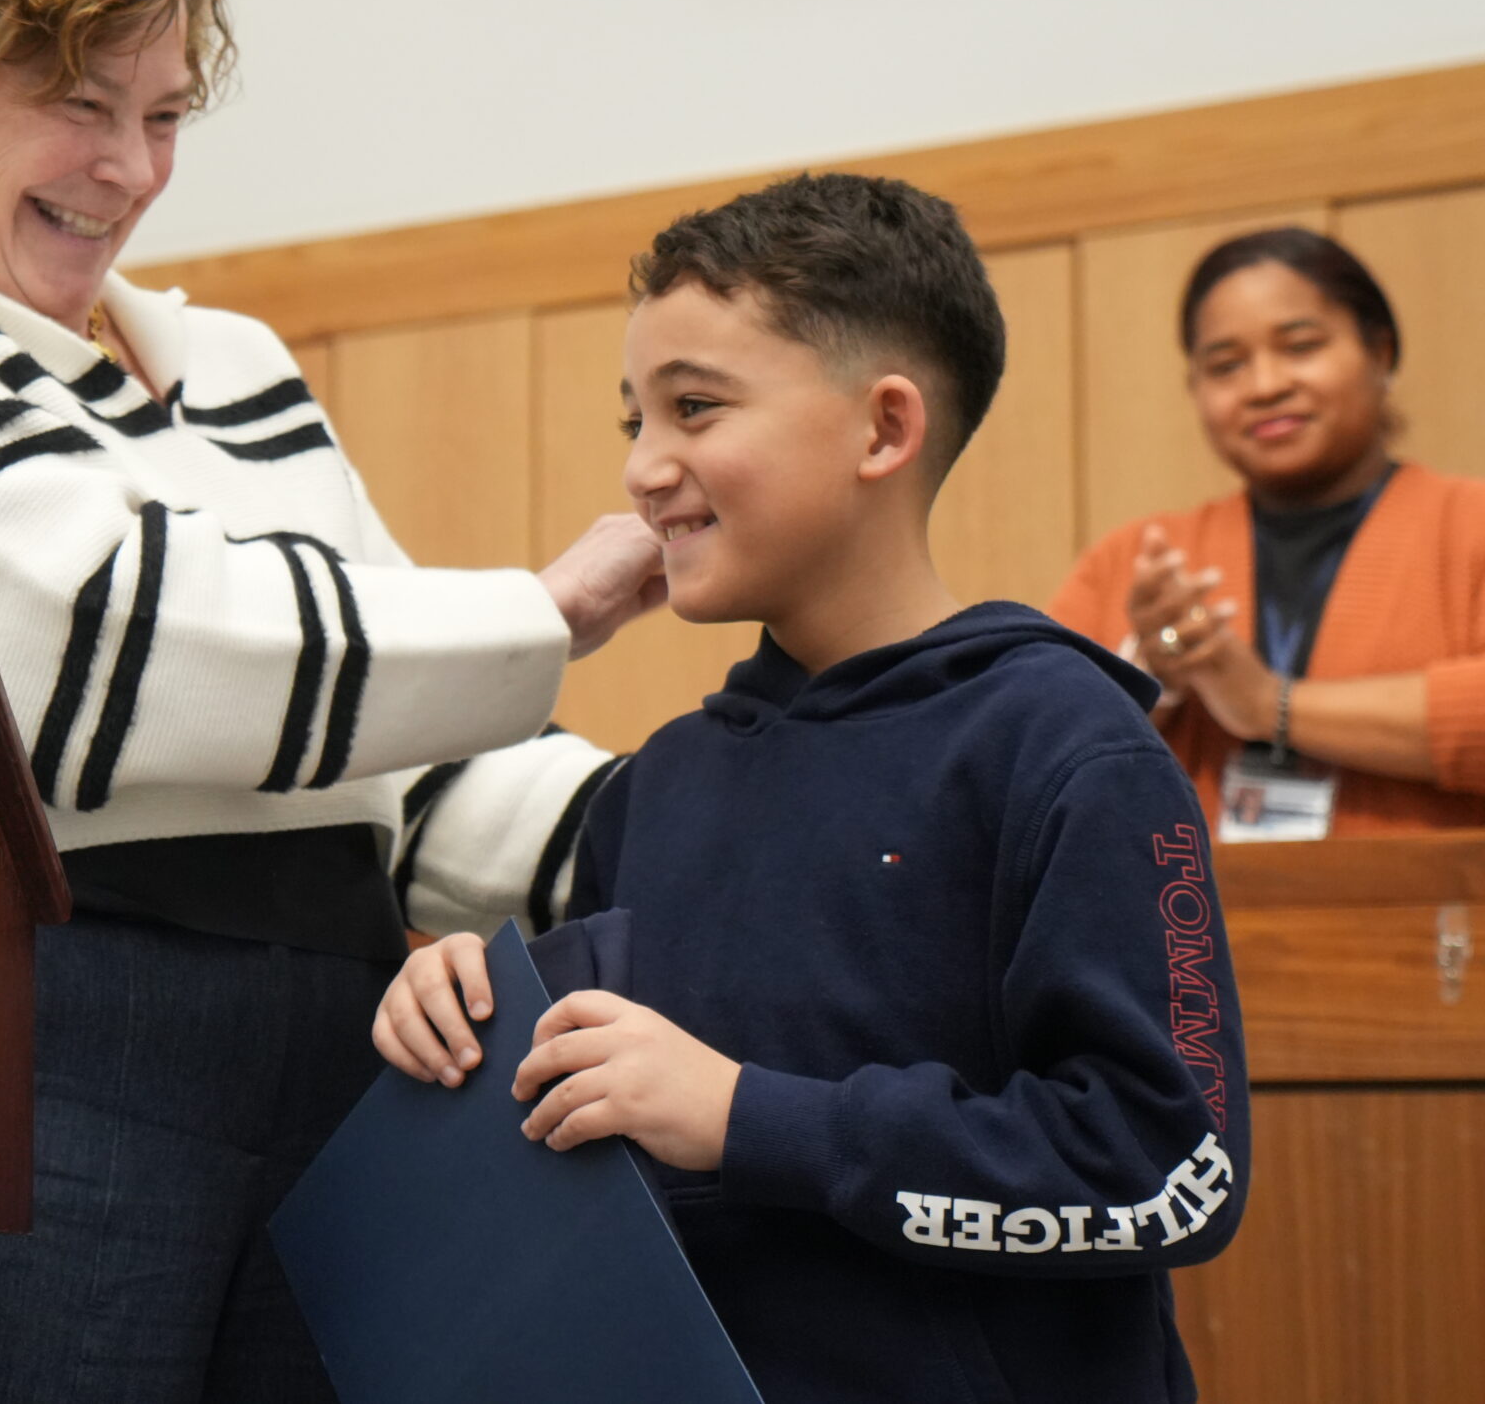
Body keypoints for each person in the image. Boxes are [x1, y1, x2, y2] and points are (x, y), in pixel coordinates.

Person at [0, 0, 663, 1404]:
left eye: (161, 115)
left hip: (360, 1045)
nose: (131, 169)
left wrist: (714, 820)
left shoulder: (233, 361)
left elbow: (404, 761)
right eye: (78, 104)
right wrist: (547, 610)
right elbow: (105, 647)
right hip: (63, 1040)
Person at [373, 175, 1248, 1404]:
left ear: (883, 431)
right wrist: (469, 999)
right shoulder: (662, 784)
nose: (643, 468)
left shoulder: (1065, 747)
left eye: (693, 408)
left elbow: (1168, 1173)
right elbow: (608, 1092)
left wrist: (753, 1121)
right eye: (634, 419)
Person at [1050, 228, 1485, 840]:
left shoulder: (1470, 526)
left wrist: (1270, 706)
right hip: (1188, 933)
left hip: (1433, 930)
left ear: (1380, 353)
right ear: (1196, 389)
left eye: (1301, 346)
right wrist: (1151, 677)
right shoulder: (1136, 561)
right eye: (1226, 365)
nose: (1264, 386)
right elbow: (1032, 761)